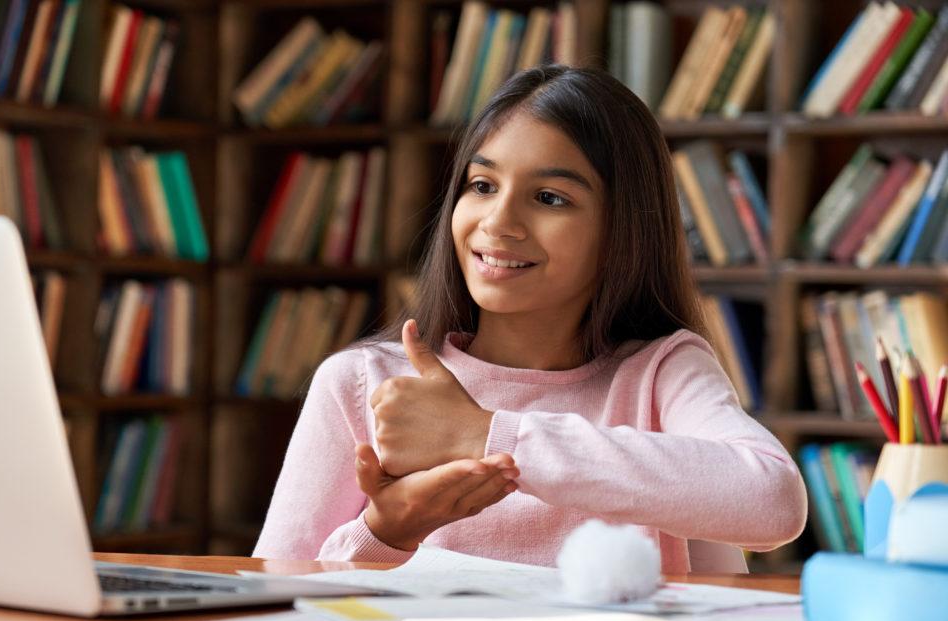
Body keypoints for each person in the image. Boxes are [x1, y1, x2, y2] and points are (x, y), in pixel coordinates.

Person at [253, 65, 807, 573]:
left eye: (549, 197)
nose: (498, 222)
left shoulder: (660, 373)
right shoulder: (361, 383)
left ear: (623, 231)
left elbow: (773, 502)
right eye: (483, 186)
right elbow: (272, 602)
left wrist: (484, 434)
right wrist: (387, 534)